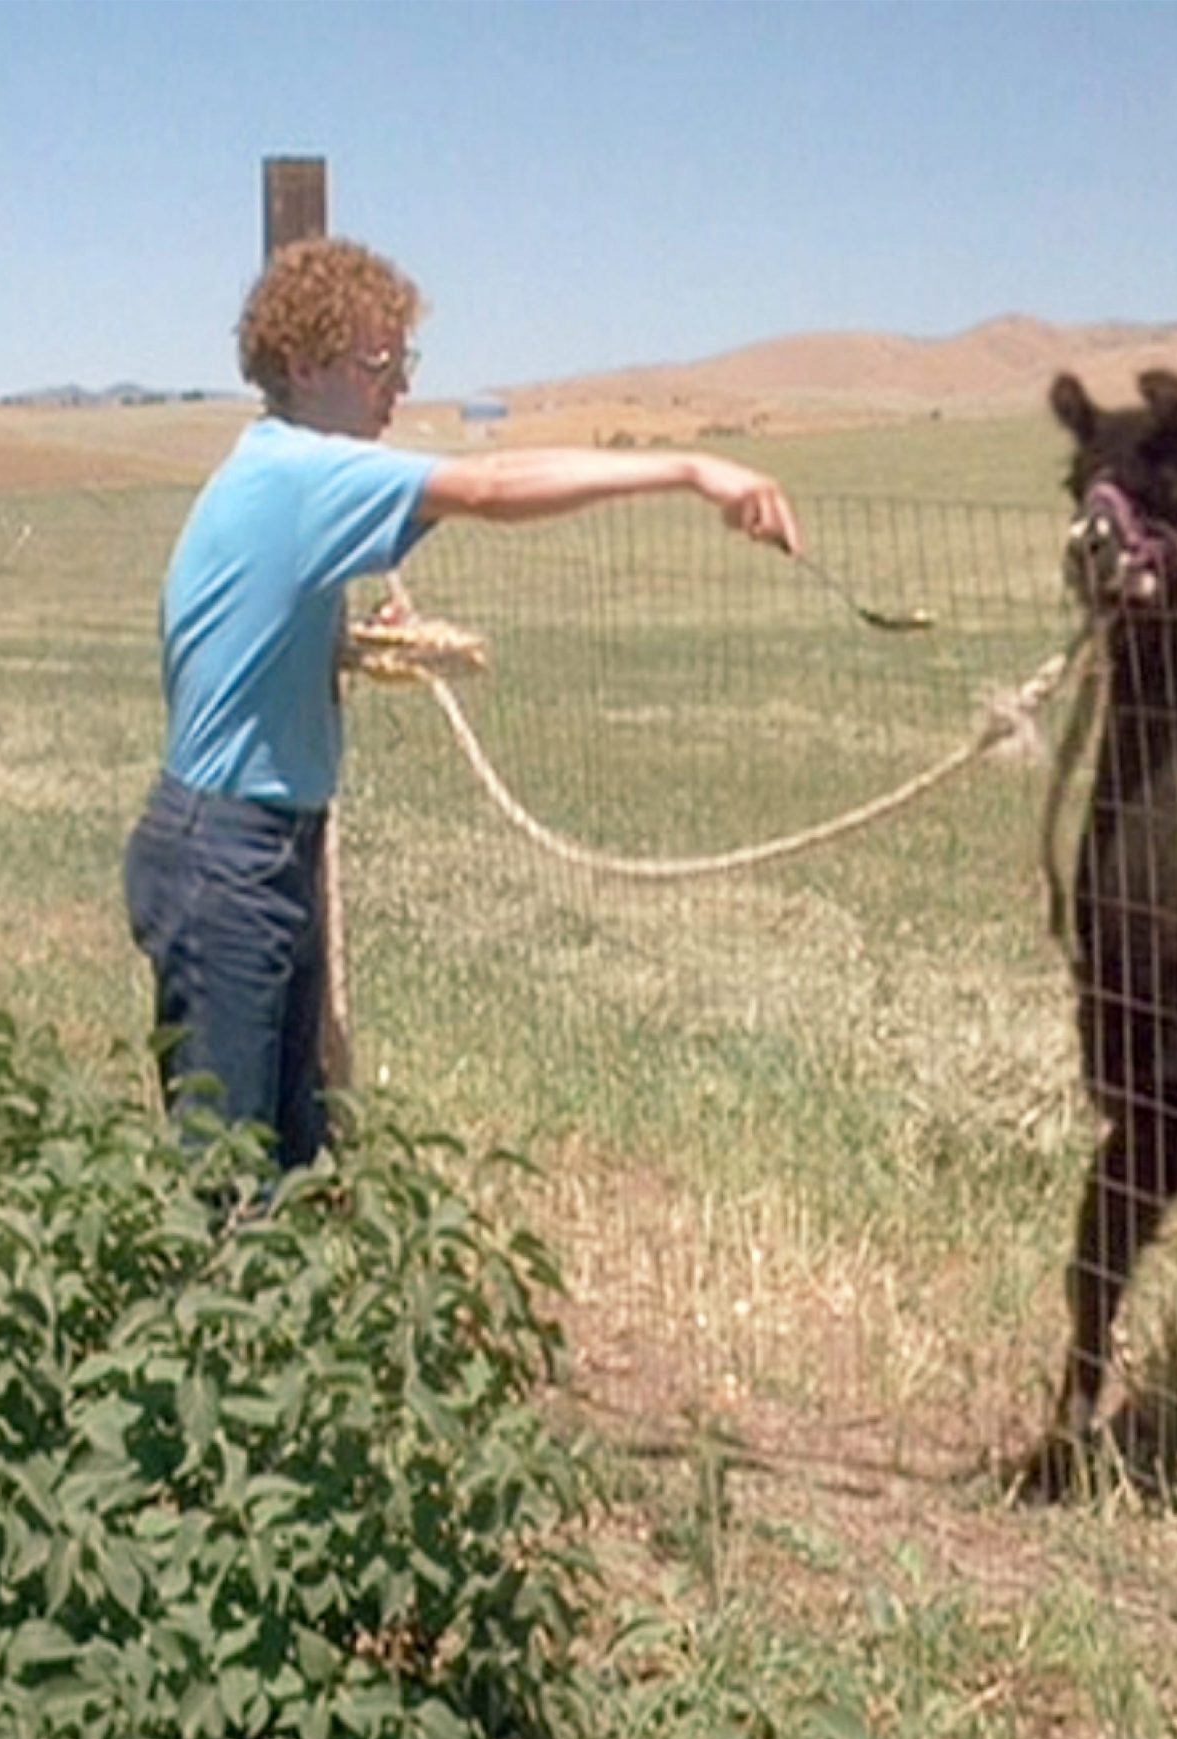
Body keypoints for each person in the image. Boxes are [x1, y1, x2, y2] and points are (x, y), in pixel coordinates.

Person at [126, 237, 802, 1167]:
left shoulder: (275, 469)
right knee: (225, 1178)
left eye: (403, 361)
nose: (397, 387)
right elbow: (486, 485)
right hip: (227, 856)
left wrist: (338, 636)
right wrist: (692, 470)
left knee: (280, 1163)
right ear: (303, 363)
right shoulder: (300, 472)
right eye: (377, 363)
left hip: (251, 844)